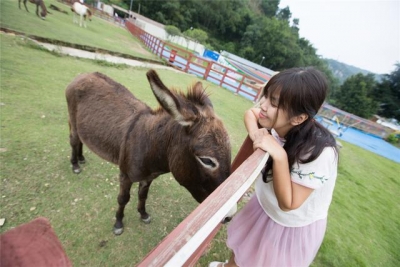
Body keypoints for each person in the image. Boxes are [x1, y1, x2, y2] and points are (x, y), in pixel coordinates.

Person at [209, 67, 339, 267]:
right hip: (264, 206)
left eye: (274, 102)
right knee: (243, 248)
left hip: (291, 226)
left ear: (298, 118)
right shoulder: (277, 122)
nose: (262, 104)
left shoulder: (319, 152)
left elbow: (289, 203)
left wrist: (279, 155)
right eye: (266, 97)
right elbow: (250, 114)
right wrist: (257, 135)